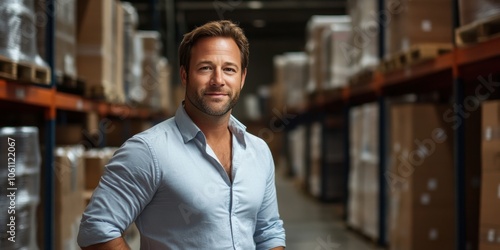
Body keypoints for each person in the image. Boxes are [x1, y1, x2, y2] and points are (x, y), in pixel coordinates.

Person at [77, 20, 286, 250]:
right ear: (185, 75)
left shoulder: (258, 151)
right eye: (205, 68)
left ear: (242, 77)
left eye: (229, 69)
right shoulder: (148, 151)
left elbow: (269, 231)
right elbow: (97, 229)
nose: (218, 80)